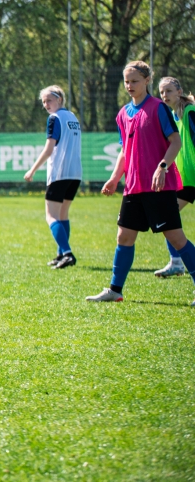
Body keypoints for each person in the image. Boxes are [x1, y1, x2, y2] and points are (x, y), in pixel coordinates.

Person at [88, 61, 195, 304]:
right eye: (126, 81)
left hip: (159, 187)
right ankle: (115, 290)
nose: (129, 86)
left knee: (177, 239)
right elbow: (125, 151)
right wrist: (115, 178)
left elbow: (175, 142)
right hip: (133, 187)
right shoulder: (123, 114)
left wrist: (162, 166)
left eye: (135, 81)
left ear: (147, 80)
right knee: (124, 237)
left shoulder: (159, 108)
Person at [23, 85, 83, 269]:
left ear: (59, 99)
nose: (46, 105)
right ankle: (60, 253)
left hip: (60, 173)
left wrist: (32, 170)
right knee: (63, 214)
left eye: (49, 100)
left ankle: (66, 253)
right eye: (43, 102)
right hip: (75, 173)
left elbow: (49, 149)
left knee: (51, 216)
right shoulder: (73, 118)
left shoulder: (54, 118)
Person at [154, 76, 195, 277]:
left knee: (166, 216)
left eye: (168, 91)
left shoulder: (190, 112)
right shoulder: (173, 115)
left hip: (192, 178)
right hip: (187, 180)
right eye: (162, 92)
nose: (164, 95)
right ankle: (176, 262)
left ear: (179, 92)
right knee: (166, 216)